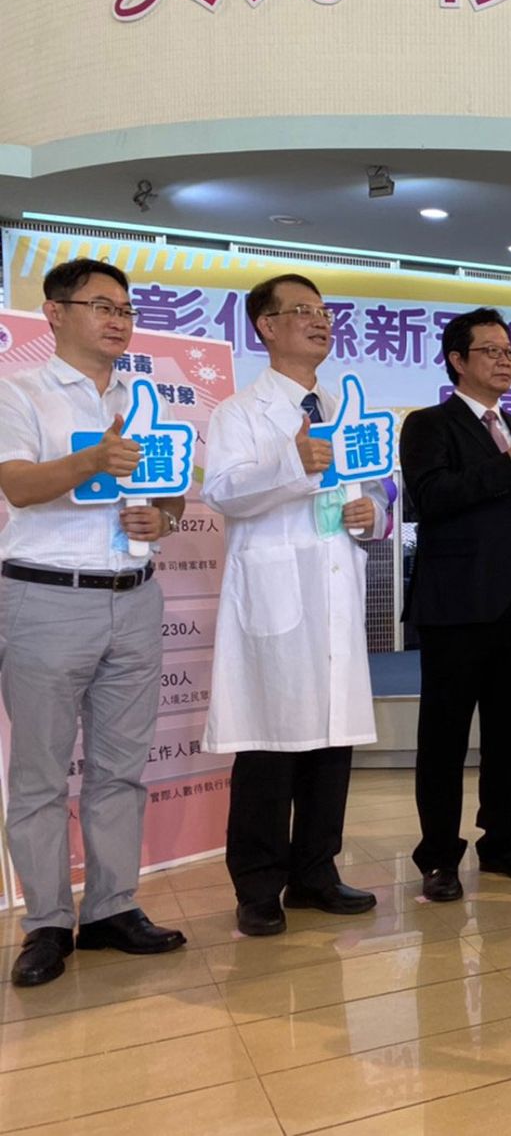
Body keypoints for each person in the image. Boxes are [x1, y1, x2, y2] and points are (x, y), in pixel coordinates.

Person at [0, 259, 187, 986]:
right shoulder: (20, 391)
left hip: (135, 596)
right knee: (40, 773)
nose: (119, 320)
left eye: (126, 309)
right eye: (102, 306)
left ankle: (112, 906)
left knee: (119, 768)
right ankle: (47, 922)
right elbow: (17, 484)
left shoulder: (145, 399)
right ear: (55, 312)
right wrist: (93, 459)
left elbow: (172, 495)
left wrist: (162, 519)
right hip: (45, 598)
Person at [203, 273, 384, 937]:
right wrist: (293, 460)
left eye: (324, 311)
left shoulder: (344, 408)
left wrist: (373, 515)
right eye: (302, 310)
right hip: (275, 598)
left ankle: (316, 872)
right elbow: (223, 491)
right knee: (269, 748)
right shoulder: (239, 412)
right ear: (267, 326)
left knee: (331, 743)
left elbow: (368, 495)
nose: (320, 321)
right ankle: (258, 886)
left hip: (333, 592)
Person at [400, 307, 511, 901]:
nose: (505, 361)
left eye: (509, 351)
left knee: (510, 731)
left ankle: (502, 840)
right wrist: (505, 466)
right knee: (444, 737)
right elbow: (430, 498)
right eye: (491, 351)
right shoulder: (429, 425)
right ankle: (438, 856)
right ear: (457, 360)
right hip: (456, 604)